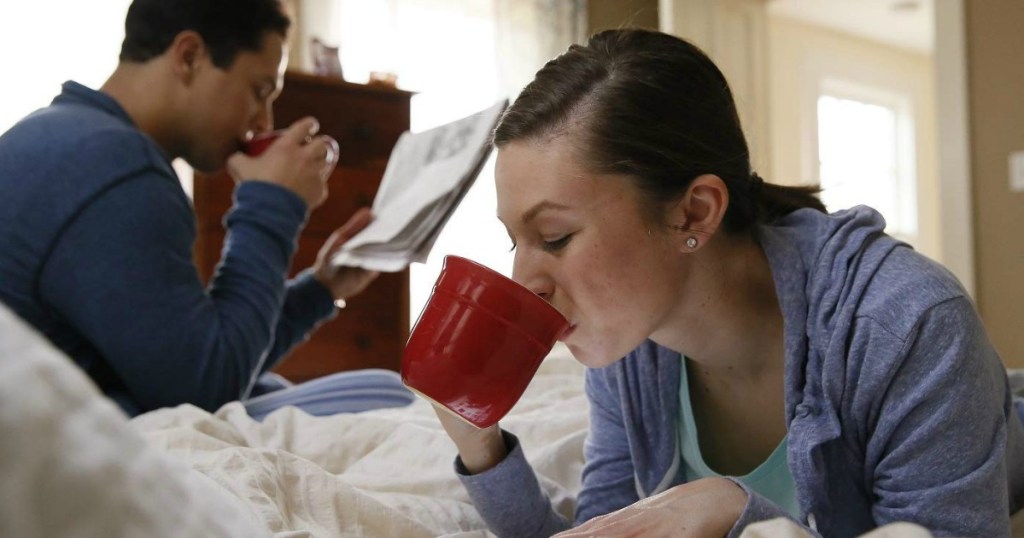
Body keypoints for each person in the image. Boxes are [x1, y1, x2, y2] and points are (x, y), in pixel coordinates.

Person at [432, 28, 1024, 537]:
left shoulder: (909, 326)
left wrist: (733, 511)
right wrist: (481, 448)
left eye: (555, 237)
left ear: (693, 212)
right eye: (516, 242)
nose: (522, 283)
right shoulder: (628, 350)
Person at [0, 0, 378, 416]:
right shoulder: (116, 169)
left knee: (311, 395)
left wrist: (322, 289)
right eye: (259, 91)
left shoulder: (63, 135)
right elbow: (207, 388)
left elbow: (200, 352)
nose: (263, 121)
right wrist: (272, 204)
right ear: (189, 56)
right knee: (382, 395)